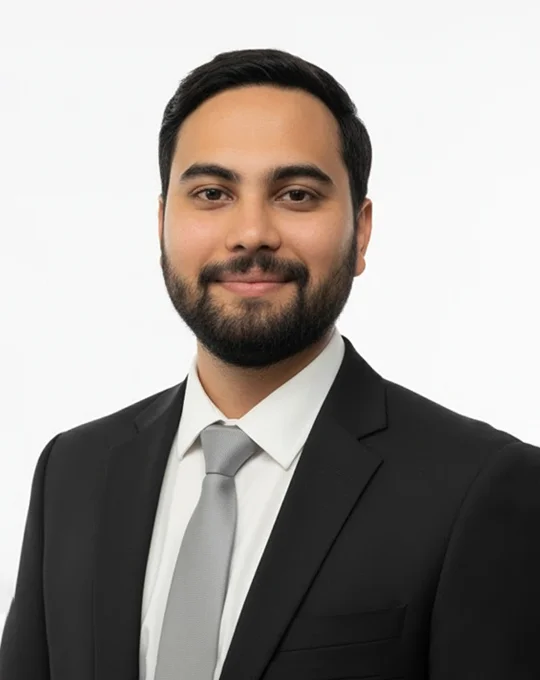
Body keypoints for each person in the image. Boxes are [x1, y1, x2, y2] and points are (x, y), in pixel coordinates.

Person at [1, 47, 539, 680]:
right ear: (162, 223)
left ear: (361, 232)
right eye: (211, 193)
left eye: (296, 195)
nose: (251, 232)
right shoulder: (73, 472)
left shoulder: (482, 487)